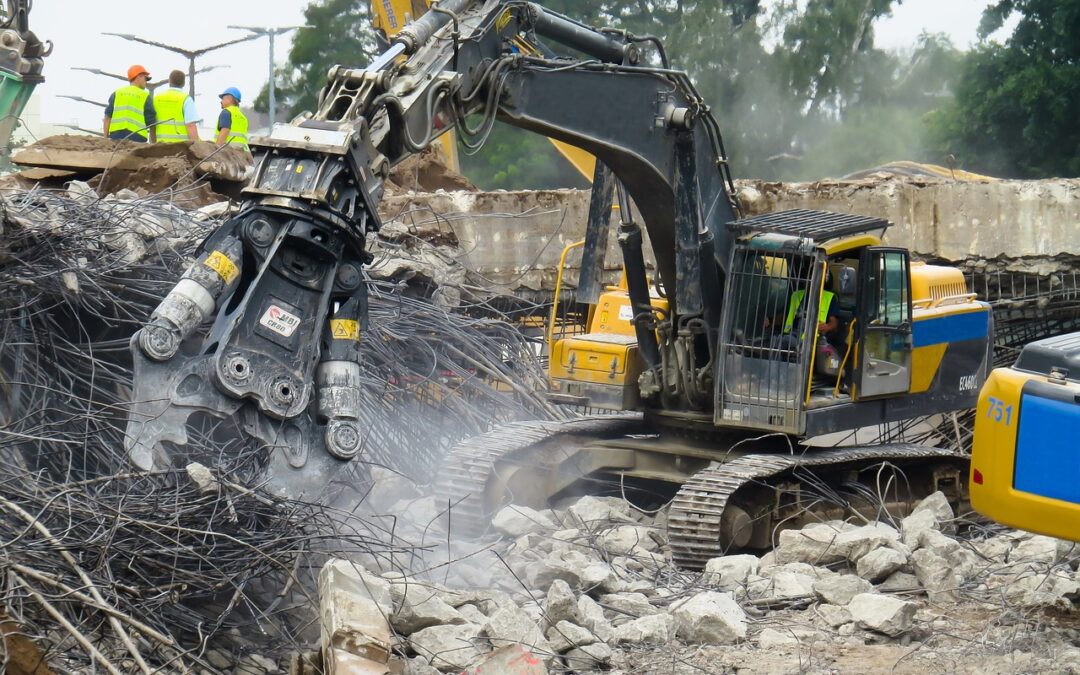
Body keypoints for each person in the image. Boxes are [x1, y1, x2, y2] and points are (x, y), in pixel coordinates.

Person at [103, 65, 157, 143]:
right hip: (137, 137)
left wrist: (105, 139)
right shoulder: (144, 95)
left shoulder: (117, 93)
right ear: (139, 77)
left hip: (116, 136)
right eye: (146, 79)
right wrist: (154, 143)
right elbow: (152, 123)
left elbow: (107, 117)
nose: (146, 82)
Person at [153, 70, 201, 143]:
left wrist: (153, 143)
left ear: (169, 81)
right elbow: (190, 125)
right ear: (184, 83)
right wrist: (197, 146)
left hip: (160, 146)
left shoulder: (157, 98)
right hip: (180, 147)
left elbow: (152, 124)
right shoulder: (186, 99)